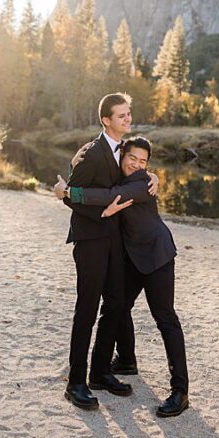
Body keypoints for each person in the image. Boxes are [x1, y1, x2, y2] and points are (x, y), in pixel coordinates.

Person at [57, 137, 189, 418]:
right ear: (122, 156)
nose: (138, 165)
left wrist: (69, 193)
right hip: (131, 258)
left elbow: (108, 197)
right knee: (116, 306)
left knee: (165, 317)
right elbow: (91, 173)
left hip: (156, 256)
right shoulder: (117, 171)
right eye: (133, 158)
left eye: (144, 162)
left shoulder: (142, 183)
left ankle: (180, 391)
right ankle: (121, 363)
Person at [58, 92, 152, 410]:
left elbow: (134, 172)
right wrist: (104, 213)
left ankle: (100, 373)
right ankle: (76, 382)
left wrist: (150, 176)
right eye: (121, 115)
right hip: (90, 240)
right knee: (86, 309)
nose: (127, 118)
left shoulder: (123, 150)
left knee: (115, 305)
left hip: (115, 242)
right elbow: (71, 196)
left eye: (129, 113)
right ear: (106, 120)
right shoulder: (91, 152)